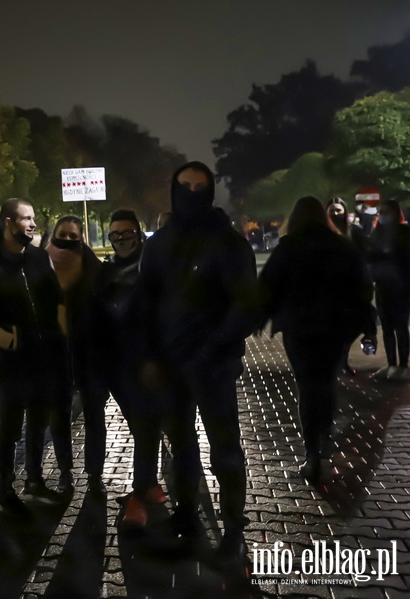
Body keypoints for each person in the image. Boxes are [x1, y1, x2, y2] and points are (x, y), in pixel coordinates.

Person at [137, 161, 257, 568]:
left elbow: (245, 306)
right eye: (183, 186)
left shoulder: (228, 243)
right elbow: (146, 303)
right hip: (171, 367)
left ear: (209, 191)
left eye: (198, 187)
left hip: (214, 365)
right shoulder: (159, 244)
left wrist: (212, 346)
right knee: (182, 446)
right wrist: (150, 355)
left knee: (224, 448)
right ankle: (186, 513)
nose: (190, 194)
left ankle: (234, 529)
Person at [258, 197, 377, 482]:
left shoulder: (288, 248)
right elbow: (362, 288)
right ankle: (324, 436)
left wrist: (259, 318)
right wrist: (367, 325)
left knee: (307, 386)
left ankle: (312, 451)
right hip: (335, 329)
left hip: (299, 330)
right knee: (326, 383)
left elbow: (268, 286)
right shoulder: (343, 247)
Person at [0, 199, 69, 513]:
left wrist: (61, 337)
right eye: (26, 218)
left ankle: (35, 480)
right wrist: (5, 339)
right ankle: (5, 487)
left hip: (43, 358)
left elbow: (57, 300)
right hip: (9, 363)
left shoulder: (40, 258)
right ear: (8, 222)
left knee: (39, 421)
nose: (32, 224)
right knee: (10, 427)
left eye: (33, 218)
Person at [94, 209, 167, 525]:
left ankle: (140, 496)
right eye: (115, 234)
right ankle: (148, 486)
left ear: (138, 234)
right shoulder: (106, 271)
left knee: (147, 426)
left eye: (127, 233)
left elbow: (161, 315)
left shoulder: (151, 269)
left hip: (147, 363)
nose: (121, 239)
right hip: (117, 366)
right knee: (142, 427)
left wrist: (155, 358)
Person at [44, 215, 105, 495]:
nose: (67, 240)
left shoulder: (94, 267)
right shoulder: (41, 265)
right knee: (59, 415)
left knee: (94, 415)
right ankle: (64, 472)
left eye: (73, 236)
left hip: (91, 353)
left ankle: (95, 475)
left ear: (82, 238)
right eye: (62, 234)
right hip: (55, 355)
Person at [367, 199, 410, 380]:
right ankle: (391, 364)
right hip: (382, 287)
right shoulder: (376, 234)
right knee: (386, 328)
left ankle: (403, 365)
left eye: (387, 212)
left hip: (400, 288)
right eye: (381, 212)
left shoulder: (405, 232)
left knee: (401, 327)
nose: (383, 215)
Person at [326, 197, 368, 376]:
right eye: (332, 211)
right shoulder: (324, 233)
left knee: (354, 325)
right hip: (331, 288)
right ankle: (338, 362)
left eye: (338, 210)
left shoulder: (354, 232)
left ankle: (341, 358)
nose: (336, 214)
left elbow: (365, 255)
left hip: (352, 286)